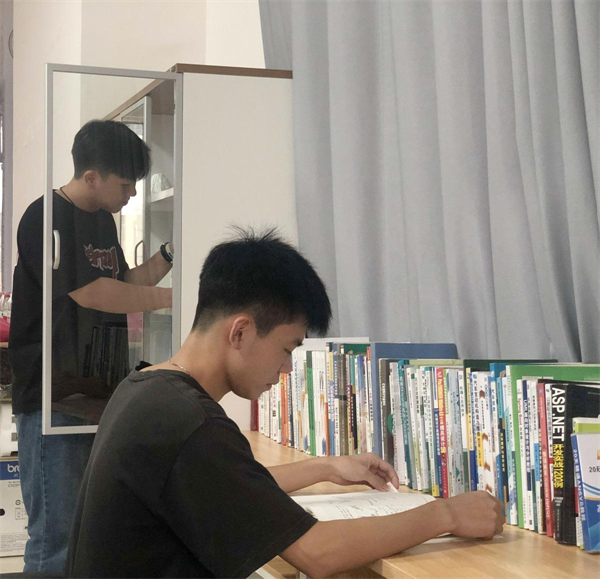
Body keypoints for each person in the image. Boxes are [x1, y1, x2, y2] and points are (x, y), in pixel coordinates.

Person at [66, 227, 504, 578]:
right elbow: (318, 553)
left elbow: (232, 488)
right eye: (288, 349)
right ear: (240, 332)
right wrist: (446, 513)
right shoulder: (191, 423)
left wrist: (326, 468)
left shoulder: (145, 387)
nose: (288, 369)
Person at [9, 120, 174, 575]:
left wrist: (170, 254)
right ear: (91, 177)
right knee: (55, 540)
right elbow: (93, 293)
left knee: (86, 535)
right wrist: (171, 298)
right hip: (52, 399)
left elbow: (123, 281)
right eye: (125, 184)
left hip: (96, 397)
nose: (132, 194)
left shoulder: (102, 220)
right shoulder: (45, 218)